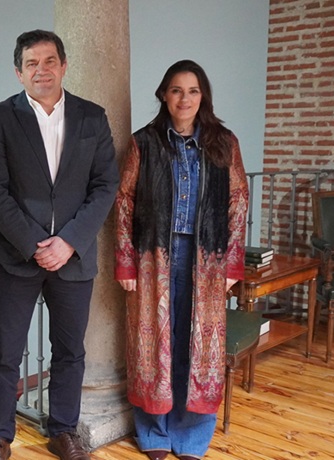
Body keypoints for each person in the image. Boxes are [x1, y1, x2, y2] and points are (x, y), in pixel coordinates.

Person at [0, 30, 118, 460]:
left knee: (70, 351)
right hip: (16, 256)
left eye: (50, 61)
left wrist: (69, 241)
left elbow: (105, 185)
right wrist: (34, 243)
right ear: (18, 72)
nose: (42, 70)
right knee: (5, 352)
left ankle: (63, 430)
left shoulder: (92, 117)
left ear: (64, 65)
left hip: (74, 258)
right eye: (32, 63)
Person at [115, 60, 248, 460]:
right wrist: (126, 262)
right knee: (155, 343)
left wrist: (231, 264)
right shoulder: (144, 142)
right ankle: (154, 430)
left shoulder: (224, 142)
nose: (184, 98)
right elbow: (124, 202)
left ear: (202, 96)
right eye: (176, 90)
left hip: (206, 260)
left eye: (192, 91)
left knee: (197, 346)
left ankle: (190, 436)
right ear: (164, 95)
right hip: (154, 257)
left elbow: (238, 201)